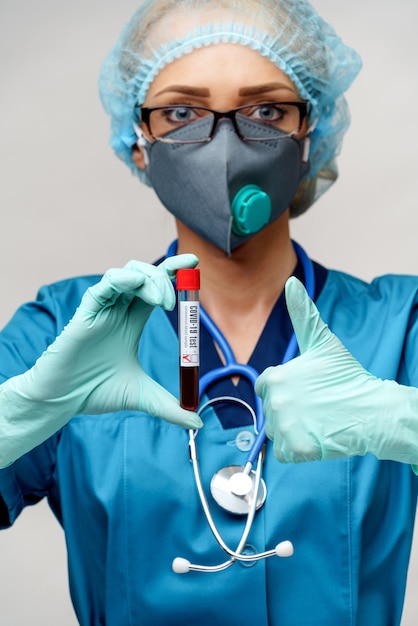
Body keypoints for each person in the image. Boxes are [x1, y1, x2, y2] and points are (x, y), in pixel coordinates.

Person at [1, 0, 418, 624]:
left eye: (267, 110)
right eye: (181, 112)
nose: (224, 146)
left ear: (311, 135)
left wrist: (403, 419)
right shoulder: (62, 330)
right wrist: (21, 413)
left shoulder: (401, 324)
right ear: (139, 143)